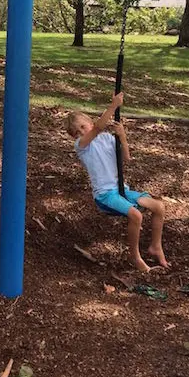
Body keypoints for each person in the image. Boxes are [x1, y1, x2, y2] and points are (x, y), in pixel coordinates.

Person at [67, 93, 168, 272]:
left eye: (83, 127)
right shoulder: (82, 146)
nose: (81, 132)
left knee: (159, 207)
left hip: (121, 189)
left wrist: (122, 136)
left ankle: (155, 246)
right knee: (136, 215)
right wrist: (113, 106)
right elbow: (98, 127)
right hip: (105, 195)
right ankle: (135, 257)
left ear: (89, 122)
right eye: (77, 132)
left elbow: (126, 158)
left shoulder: (107, 139)